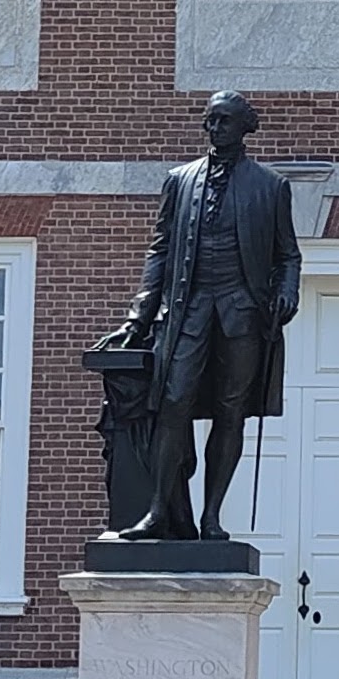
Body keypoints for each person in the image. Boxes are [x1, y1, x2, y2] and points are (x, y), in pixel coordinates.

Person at [103, 91, 301, 539]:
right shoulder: (180, 179)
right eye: (210, 121)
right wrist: (139, 316)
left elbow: (287, 256)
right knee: (173, 403)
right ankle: (158, 510)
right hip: (187, 310)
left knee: (231, 412)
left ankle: (212, 516)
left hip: (241, 312)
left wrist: (288, 292)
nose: (214, 129)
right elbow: (160, 249)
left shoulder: (271, 187)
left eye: (224, 121)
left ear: (245, 127)